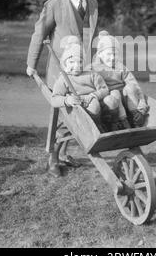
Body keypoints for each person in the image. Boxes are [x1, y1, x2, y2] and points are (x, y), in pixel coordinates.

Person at [26, 0, 99, 176]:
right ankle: (53, 159)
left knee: (79, 111)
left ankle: (65, 153)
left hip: (83, 70)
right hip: (61, 71)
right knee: (61, 114)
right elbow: (39, 35)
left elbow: (90, 36)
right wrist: (31, 64)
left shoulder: (93, 4)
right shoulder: (55, 4)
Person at [49, 36, 114, 176]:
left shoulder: (91, 75)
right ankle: (53, 161)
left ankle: (96, 129)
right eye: (71, 62)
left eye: (79, 62)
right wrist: (67, 100)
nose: (76, 65)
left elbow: (104, 89)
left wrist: (95, 95)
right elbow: (54, 99)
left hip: (90, 105)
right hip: (73, 112)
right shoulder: (64, 79)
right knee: (61, 133)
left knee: (95, 106)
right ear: (65, 63)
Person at [93, 31, 150, 129]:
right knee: (115, 93)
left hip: (126, 102)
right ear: (100, 54)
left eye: (115, 54)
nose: (112, 58)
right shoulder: (95, 69)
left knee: (131, 87)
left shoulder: (120, 67)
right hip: (109, 104)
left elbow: (135, 86)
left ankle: (135, 116)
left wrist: (142, 107)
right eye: (108, 54)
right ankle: (121, 121)